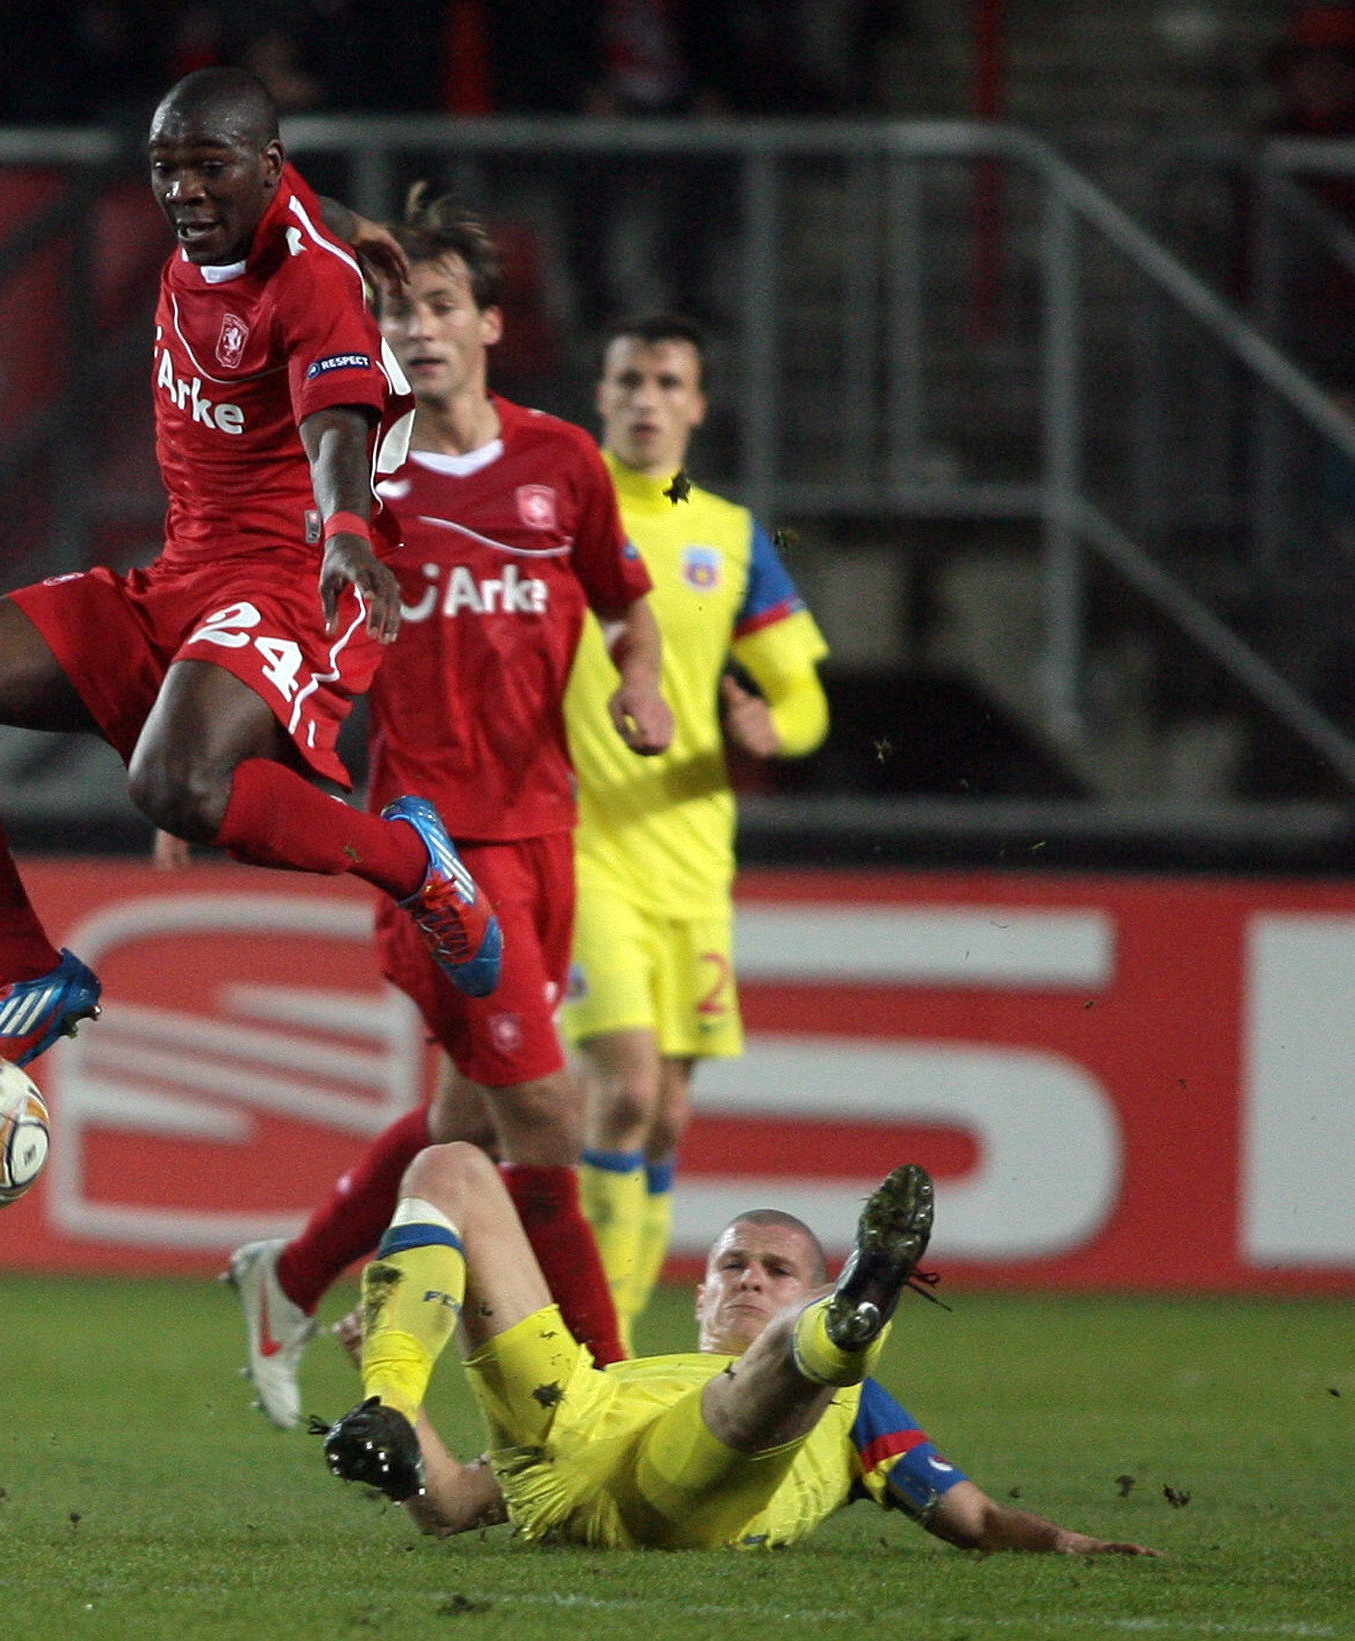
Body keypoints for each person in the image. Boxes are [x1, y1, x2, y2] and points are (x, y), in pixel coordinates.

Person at [0, 68, 503, 1070]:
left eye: (209, 169)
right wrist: (360, 218)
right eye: (166, 168)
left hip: (286, 586)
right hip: (177, 578)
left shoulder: (312, 282)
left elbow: (335, 423)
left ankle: (414, 864)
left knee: (174, 784)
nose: (184, 192)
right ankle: (26, 967)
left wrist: (346, 532)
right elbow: (295, 202)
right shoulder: (253, 211)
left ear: (264, 168)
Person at [212, 188, 673, 1429]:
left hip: (546, 833)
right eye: (393, 310)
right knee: (545, 1113)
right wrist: (217, 756)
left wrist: (643, 684)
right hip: (430, 847)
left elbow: (623, 604)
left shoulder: (561, 462)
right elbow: (274, 626)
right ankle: (611, 1392)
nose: (413, 329)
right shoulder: (357, 478)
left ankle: (294, 1276)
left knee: (460, 1122)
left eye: (435, 306)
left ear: (487, 323)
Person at [320, 1158, 1158, 1556]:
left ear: (805, 1289)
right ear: (699, 1295)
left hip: (686, 1484)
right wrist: (402, 1419)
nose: (749, 1278)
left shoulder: (855, 1406)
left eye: (776, 1269)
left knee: (789, 1368)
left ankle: (848, 1321)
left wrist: (1066, 1544)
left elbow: (971, 1518)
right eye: (731, 1264)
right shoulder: (623, 1376)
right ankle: (390, 1394)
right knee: (452, 1167)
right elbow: (451, 1504)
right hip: (568, 1431)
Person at [566, 315, 830, 1347]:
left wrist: (777, 724)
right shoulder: (556, 508)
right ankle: (601, 1343)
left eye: (666, 380)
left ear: (695, 404)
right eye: (627, 377)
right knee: (625, 1090)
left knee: (665, 1116)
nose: (644, 397)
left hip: (690, 858)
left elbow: (803, 693)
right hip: (581, 847)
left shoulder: (723, 531)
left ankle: (611, 1340)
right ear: (601, 391)